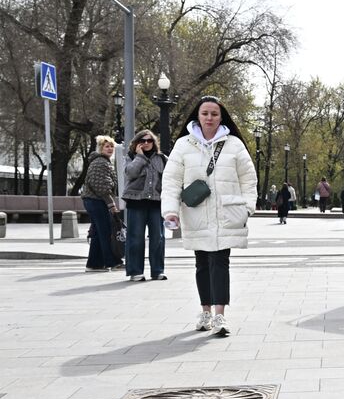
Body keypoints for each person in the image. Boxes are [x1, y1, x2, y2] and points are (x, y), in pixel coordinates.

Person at [161, 96, 257, 337]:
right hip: (197, 213)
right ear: (198, 115)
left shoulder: (234, 144)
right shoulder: (183, 144)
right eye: (205, 113)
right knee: (202, 263)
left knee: (220, 262)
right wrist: (170, 210)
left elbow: (248, 178)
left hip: (227, 212)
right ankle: (205, 311)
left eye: (214, 113)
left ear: (221, 116)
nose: (209, 118)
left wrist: (247, 207)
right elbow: (171, 180)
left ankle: (219, 315)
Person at [122, 129, 167, 281]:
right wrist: (140, 157)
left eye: (149, 140)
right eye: (143, 141)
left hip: (156, 202)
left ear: (154, 142)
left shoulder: (162, 158)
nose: (146, 143)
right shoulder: (131, 157)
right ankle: (135, 271)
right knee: (135, 238)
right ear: (137, 143)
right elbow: (130, 173)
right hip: (136, 202)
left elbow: (168, 179)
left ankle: (157, 271)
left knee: (158, 238)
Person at [80, 135, 122, 272]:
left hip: (95, 201)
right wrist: (111, 203)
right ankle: (113, 262)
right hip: (96, 201)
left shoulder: (103, 161)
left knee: (98, 233)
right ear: (100, 148)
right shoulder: (100, 162)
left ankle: (94, 264)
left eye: (111, 146)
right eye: (106, 146)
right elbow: (101, 186)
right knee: (105, 232)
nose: (110, 149)